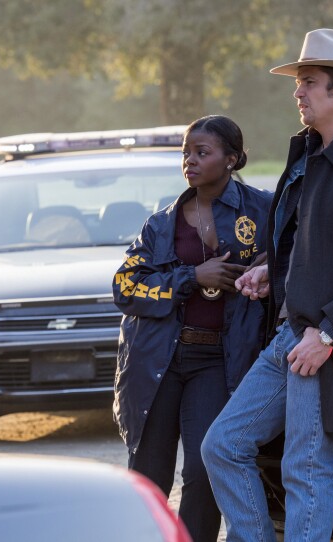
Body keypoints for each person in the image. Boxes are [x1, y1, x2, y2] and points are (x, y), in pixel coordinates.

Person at [201, 29, 333, 541]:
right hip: (291, 335)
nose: (298, 93)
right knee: (222, 446)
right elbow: (305, 244)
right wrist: (268, 272)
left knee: (305, 468)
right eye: (298, 83)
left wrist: (329, 334)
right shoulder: (310, 155)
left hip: (329, 344)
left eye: (310, 83)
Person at [113, 115, 273, 542]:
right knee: (148, 472)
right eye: (186, 152)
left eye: (202, 152)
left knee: (204, 470)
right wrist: (191, 277)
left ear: (232, 159)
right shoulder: (161, 224)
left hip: (218, 360)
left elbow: (297, 253)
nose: (190, 160)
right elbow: (124, 288)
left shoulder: (264, 209)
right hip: (159, 360)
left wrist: (269, 266)